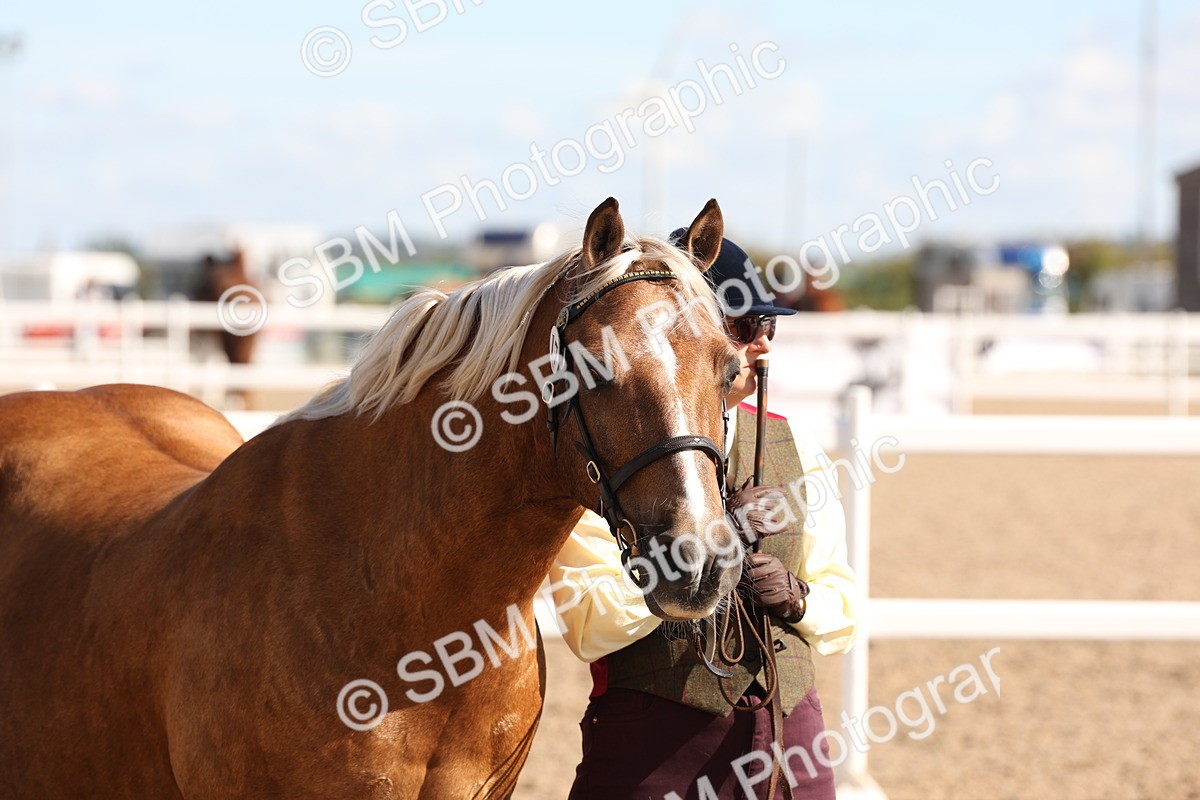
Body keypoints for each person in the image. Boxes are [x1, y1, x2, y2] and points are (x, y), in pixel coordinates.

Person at [547, 235, 860, 800]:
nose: (762, 345)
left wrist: (798, 598)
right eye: (743, 327)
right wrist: (722, 538)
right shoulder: (603, 457)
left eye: (771, 327)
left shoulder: (798, 446)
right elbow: (591, 625)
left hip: (792, 741)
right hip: (654, 752)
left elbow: (844, 609)